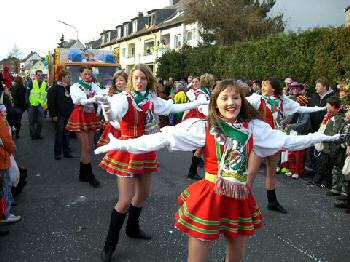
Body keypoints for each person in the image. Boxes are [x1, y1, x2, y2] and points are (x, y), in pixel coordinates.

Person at [95, 79, 339, 262]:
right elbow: (160, 139)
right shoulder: (204, 128)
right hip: (210, 195)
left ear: (242, 101)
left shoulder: (254, 127)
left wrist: (320, 136)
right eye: (224, 98)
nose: (230, 102)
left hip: (239, 197)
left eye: (235, 98)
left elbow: (286, 141)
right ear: (215, 102)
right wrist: (123, 144)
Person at [97, 64, 208, 262]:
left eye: (143, 78)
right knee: (125, 200)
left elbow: (173, 107)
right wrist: (107, 110)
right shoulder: (123, 98)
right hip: (127, 149)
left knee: (144, 194)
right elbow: (114, 114)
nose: (139, 82)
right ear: (131, 79)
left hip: (146, 147)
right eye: (136, 78)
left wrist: (196, 104)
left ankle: (132, 228)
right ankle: (109, 243)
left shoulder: (152, 100)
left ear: (148, 80)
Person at [246, 78, 326, 213]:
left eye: (266, 85)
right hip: (260, 141)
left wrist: (321, 108)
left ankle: (272, 202)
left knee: (272, 173)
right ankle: (243, 202)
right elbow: (242, 104)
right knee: (251, 173)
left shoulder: (282, 101)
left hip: (275, 138)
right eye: (263, 84)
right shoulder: (257, 99)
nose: (263, 86)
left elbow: (300, 109)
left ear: (274, 88)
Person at [66, 66, 106, 188]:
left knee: (89, 147)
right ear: (80, 75)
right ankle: (89, 175)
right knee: (86, 147)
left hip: (90, 115)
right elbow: (80, 100)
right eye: (86, 74)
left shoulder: (94, 86)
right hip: (80, 115)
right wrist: (95, 98)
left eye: (89, 74)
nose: (88, 76)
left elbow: (102, 95)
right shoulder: (75, 86)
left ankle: (83, 174)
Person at [312, 96, 343, 188]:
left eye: (328, 105)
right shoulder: (328, 116)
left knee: (327, 165)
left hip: (329, 147)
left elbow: (335, 131)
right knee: (321, 164)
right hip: (324, 145)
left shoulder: (337, 118)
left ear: (334, 107)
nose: (326, 106)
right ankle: (317, 180)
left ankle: (325, 182)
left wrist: (323, 134)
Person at [184, 75, 211, 180]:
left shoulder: (202, 92)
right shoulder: (200, 93)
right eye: (194, 82)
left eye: (197, 82)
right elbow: (202, 108)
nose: (195, 84)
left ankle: (194, 170)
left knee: (202, 147)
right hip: (200, 120)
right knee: (201, 147)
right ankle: (192, 171)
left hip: (201, 120)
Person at [96, 70, 128, 148]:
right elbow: (108, 113)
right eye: (116, 81)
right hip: (116, 127)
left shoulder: (131, 95)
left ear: (127, 81)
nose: (118, 83)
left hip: (128, 128)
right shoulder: (112, 95)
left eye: (121, 80)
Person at [48, 69, 74, 160]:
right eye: (68, 77)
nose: (70, 78)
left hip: (68, 114)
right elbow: (51, 102)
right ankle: (57, 153)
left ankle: (66, 152)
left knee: (67, 134)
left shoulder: (69, 88)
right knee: (59, 134)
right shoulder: (55, 88)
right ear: (63, 78)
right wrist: (53, 115)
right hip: (59, 115)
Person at [0, 105, 19, 224]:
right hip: (2, 158)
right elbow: (6, 140)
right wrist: (13, 150)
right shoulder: (1, 122)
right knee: (4, 185)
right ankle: (5, 214)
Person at [26, 70, 47, 140]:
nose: (40, 76)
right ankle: (33, 136)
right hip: (31, 105)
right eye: (38, 75)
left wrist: (45, 105)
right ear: (35, 76)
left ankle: (38, 134)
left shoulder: (44, 84)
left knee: (40, 122)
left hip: (40, 105)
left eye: (41, 75)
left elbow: (45, 95)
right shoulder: (31, 83)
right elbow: (27, 94)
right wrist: (28, 104)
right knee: (31, 122)